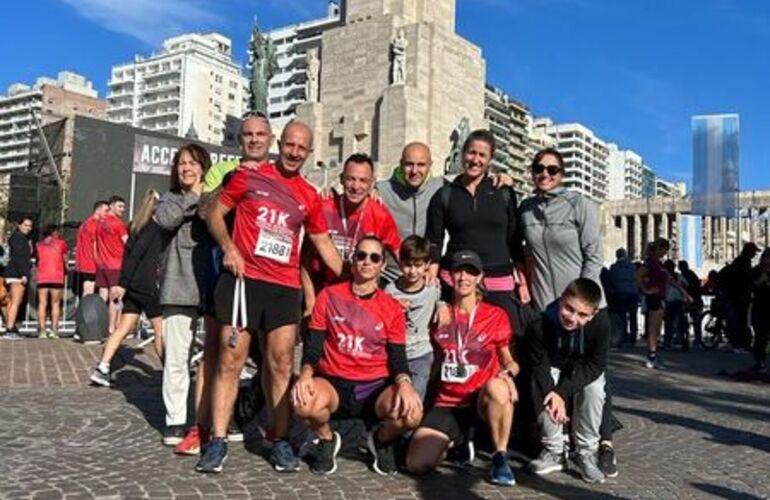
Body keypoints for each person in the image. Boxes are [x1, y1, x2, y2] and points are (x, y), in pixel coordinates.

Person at [198, 121, 344, 474]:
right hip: (244, 281)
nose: (294, 152)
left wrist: (354, 277)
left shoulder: (309, 195)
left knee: (280, 364)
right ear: (280, 144)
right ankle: (217, 440)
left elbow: (322, 242)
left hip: (283, 287)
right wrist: (229, 246)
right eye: (290, 145)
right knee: (230, 361)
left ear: (309, 153)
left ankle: (278, 439)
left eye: (302, 148)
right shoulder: (250, 176)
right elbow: (214, 214)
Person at [175, 112, 275, 455]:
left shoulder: (278, 175)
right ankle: (200, 428)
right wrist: (232, 179)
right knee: (215, 355)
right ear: (240, 139)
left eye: (261, 134)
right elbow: (204, 208)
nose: (254, 140)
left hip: (268, 280)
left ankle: (263, 425)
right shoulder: (223, 169)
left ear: (270, 140)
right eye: (248, 134)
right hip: (225, 276)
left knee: (273, 359)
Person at [518, 148, 619, 476]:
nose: (544, 175)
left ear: (562, 173)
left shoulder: (579, 204)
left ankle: (587, 451)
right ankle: (553, 449)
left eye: (552, 169)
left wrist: (582, 303)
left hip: (582, 308)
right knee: (542, 375)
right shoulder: (526, 209)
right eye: (538, 169)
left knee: (592, 383)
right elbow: (520, 250)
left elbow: (593, 255)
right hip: (548, 309)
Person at [292, 236, 422, 476]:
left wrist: (404, 383)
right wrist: (305, 374)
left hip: (373, 388)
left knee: (412, 412)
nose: (366, 262)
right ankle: (327, 439)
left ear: (383, 265)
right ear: (352, 261)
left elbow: (397, 356)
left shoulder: (391, 307)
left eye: (374, 257)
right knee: (302, 403)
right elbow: (313, 347)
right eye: (360, 255)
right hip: (334, 383)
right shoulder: (328, 296)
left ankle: (380, 440)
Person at [405, 251, 519, 487]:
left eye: (471, 272)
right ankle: (458, 443)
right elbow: (433, 361)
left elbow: (508, 360)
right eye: (459, 270)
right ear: (450, 276)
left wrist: (508, 374)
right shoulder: (440, 314)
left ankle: (500, 458)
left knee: (498, 388)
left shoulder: (495, 315)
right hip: (447, 403)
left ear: (479, 278)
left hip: (480, 400)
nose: (464, 276)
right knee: (416, 463)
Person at [425, 129, 529, 331]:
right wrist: (433, 286)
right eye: (471, 152)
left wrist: (523, 282)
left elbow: (515, 241)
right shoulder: (444, 195)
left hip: (498, 281)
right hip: (457, 280)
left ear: (490, 160)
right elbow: (434, 242)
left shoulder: (503, 193)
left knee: (505, 342)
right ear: (463, 153)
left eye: (482, 155)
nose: (475, 159)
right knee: (455, 342)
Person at [376, 142, 513, 282]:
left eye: (421, 165)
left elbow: (473, 176)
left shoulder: (442, 188)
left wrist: (499, 177)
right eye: (409, 164)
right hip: (389, 276)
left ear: (430, 165)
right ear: (400, 163)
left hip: (425, 278)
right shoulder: (381, 191)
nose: (414, 171)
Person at [155, 144, 212, 446]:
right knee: (177, 358)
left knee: (216, 360)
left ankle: (214, 416)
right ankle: (175, 419)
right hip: (178, 286)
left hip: (211, 285)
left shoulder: (215, 198)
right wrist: (193, 196)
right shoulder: (170, 200)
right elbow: (165, 220)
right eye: (181, 164)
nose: (186, 168)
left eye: (192, 163)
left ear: (204, 166)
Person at [527, 278, 609, 484]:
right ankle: (554, 449)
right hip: (552, 366)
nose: (572, 318)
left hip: (582, 368)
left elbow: (596, 366)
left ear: (593, 315)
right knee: (543, 385)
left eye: (582, 315)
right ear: (561, 299)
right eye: (569, 309)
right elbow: (540, 367)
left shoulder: (601, 326)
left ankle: (586, 452)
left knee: (595, 388)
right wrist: (554, 394)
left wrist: (561, 393)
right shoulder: (540, 324)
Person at [89, 189, 165, 388]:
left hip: (133, 285)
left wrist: (125, 283)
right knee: (160, 329)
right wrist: (122, 283)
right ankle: (170, 372)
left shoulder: (134, 226)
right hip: (146, 285)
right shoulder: (153, 228)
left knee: (122, 328)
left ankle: (102, 367)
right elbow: (135, 256)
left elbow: (129, 255)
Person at [303, 152, 401, 301]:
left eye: (363, 180)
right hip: (321, 294)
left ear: (372, 183)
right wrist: (310, 302)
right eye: (350, 179)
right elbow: (305, 259)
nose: (356, 186)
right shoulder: (324, 207)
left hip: (359, 299)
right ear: (342, 179)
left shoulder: (380, 214)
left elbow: (402, 256)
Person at [384, 235, 443, 400]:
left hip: (420, 352)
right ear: (400, 262)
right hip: (393, 352)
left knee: (415, 392)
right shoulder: (390, 291)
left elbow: (442, 302)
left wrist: (442, 305)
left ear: (426, 265)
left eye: (418, 266)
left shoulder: (432, 288)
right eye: (408, 265)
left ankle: (412, 422)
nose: (412, 271)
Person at [638, 239, 691, 368]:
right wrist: (646, 290)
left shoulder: (659, 264)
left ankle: (653, 355)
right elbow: (638, 275)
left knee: (657, 329)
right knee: (653, 328)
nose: (664, 253)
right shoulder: (650, 263)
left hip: (661, 297)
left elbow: (670, 280)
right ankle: (651, 356)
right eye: (663, 250)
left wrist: (684, 293)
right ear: (657, 249)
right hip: (654, 296)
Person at [95, 196, 128, 335]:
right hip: (116, 265)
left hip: (103, 265)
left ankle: (99, 326)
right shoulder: (119, 224)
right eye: (120, 206)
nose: (123, 210)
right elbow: (127, 243)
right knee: (115, 298)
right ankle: (112, 328)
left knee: (103, 296)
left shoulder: (100, 223)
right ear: (112, 206)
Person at [35, 224, 69, 339]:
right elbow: (65, 260)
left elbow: (37, 260)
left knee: (42, 303)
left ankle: (42, 331)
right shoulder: (61, 243)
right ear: (54, 232)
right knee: (55, 304)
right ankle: (54, 330)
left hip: (42, 276)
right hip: (56, 275)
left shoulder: (39, 245)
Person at [2, 216, 34, 339]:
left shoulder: (19, 238)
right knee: (16, 301)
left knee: (14, 301)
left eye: (30, 226)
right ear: (20, 225)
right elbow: (19, 258)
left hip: (14, 273)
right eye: (26, 225)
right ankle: (10, 329)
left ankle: (11, 326)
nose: (28, 228)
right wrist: (23, 274)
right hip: (16, 274)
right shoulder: (18, 239)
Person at [723, 242, 759, 349]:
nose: (754, 255)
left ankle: (740, 342)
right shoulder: (744, 262)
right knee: (741, 320)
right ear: (749, 251)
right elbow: (744, 279)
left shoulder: (739, 261)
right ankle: (740, 343)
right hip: (740, 296)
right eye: (753, 252)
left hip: (737, 295)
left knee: (740, 320)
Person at [75, 201, 109, 297]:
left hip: (85, 263)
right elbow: (95, 245)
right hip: (92, 263)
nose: (107, 214)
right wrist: (100, 263)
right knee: (96, 289)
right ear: (98, 210)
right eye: (105, 211)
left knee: (87, 289)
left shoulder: (84, 224)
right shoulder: (94, 225)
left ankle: (86, 309)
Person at [607, 248, 640, 346]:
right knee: (633, 316)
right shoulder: (633, 266)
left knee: (622, 316)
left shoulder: (614, 267)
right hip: (632, 293)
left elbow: (612, 280)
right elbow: (636, 278)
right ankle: (633, 336)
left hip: (620, 293)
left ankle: (624, 335)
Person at [749, 248, 770, 374]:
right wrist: (760, 281)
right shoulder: (756, 271)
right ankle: (760, 362)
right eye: (766, 258)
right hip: (760, 308)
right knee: (760, 336)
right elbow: (749, 287)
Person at [663, 260, 689, 350]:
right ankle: (683, 341)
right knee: (681, 322)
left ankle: (667, 342)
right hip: (679, 300)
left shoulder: (665, 277)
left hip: (670, 300)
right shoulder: (678, 276)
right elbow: (686, 284)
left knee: (669, 322)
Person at [678, 260, 704, 349]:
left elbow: (685, 287)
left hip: (691, 300)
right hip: (695, 300)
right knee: (696, 321)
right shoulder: (691, 274)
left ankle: (687, 337)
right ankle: (697, 339)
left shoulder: (685, 276)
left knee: (688, 320)